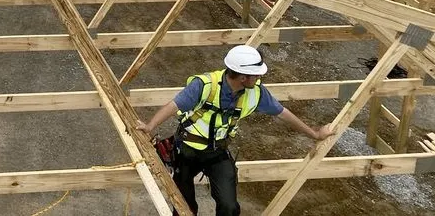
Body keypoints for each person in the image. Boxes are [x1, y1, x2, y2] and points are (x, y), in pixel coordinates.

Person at [135, 45, 331, 216]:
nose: (260, 77)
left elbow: (283, 113)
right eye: (256, 74)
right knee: (184, 208)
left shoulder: (256, 93)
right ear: (243, 77)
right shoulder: (205, 85)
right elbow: (174, 105)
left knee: (229, 207)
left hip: (217, 153)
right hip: (187, 150)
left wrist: (314, 134)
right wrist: (149, 126)